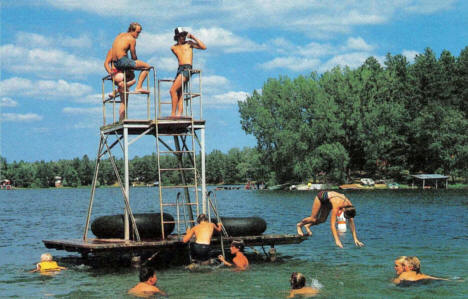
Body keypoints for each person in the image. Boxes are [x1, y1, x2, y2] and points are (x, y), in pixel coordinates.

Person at [296, 191, 364, 248]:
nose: (346, 219)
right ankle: (299, 225)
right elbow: (332, 225)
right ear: (344, 210)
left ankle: (307, 226)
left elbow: (351, 223)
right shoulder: (337, 205)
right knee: (313, 218)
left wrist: (355, 239)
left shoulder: (350, 207)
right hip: (322, 197)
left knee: (322, 220)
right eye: (346, 217)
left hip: (329, 201)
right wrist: (337, 240)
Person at [169, 27, 206, 118]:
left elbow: (203, 47)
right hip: (180, 69)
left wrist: (193, 37)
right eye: (181, 36)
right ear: (177, 37)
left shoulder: (189, 44)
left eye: (184, 35)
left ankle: (173, 114)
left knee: (172, 90)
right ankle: (179, 115)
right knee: (180, 93)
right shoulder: (173, 47)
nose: (183, 37)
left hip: (187, 68)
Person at [109, 22, 151, 97]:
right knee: (147, 66)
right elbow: (133, 56)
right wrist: (136, 64)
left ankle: (116, 91)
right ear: (132, 30)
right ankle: (138, 87)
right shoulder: (132, 39)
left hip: (115, 63)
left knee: (131, 75)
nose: (138, 35)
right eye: (137, 32)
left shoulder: (120, 35)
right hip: (122, 61)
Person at [104, 49, 136, 120]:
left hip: (125, 76)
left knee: (124, 99)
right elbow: (106, 63)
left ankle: (122, 118)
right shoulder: (113, 51)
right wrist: (110, 72)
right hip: (117, 74)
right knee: (123, 89)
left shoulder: (125, 51)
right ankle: (116, 91)